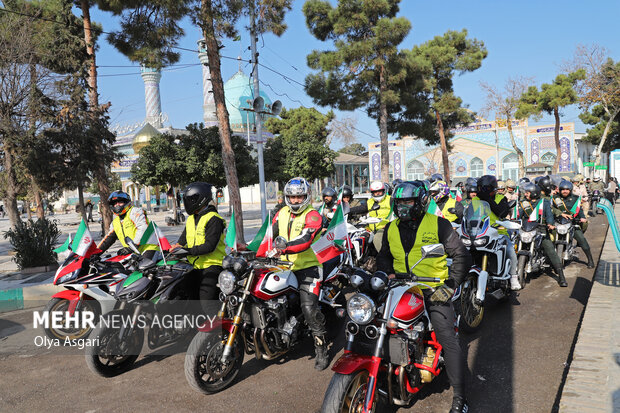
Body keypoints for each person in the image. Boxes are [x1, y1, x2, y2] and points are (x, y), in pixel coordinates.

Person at [377, 181, 471, 413]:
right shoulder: (391, 228)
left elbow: (461, 256)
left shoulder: (438, 224)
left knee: (447, 338)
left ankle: (461, 397)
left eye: (407, 202)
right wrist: (386, 273)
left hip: (432, 287)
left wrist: (449, 285)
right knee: (373, 324)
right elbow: (383, 256)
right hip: (399, 286)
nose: (402, 207)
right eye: (399, 203)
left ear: (420, 203)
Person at [268, 177, 329, 370]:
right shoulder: (281, 213)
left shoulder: (313, 215)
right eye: (291, 197)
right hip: (283, 266)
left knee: (309, 309)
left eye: (299, 197)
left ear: (306, 196)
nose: (295, 201)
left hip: (308, 267)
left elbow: (305, 240)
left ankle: (321, 349)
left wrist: (284, 248)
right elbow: (268, 235)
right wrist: (248, 248)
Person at [170, 182, 227, 311]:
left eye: (191, 200)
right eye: (187, 200)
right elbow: (182, 240)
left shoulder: (214, 219)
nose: (188, 203)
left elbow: (209, 246)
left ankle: (217, 328)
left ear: (201, 200)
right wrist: (174, 248)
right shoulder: (190, 219)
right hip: (193, 266)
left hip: (211, 266)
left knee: (207, 304)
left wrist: (186, 252)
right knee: (184, 297)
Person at [474, 175, 521, 290]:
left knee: (510, 250)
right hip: (481, 233)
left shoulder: (501, 198)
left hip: (499, 231)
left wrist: (488, 200)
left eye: (484, 188)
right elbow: (472, 214)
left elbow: (502, 213)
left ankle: (513, 277)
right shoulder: (475, 200)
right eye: (480, 188)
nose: (481, 191)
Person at [519, 183, 567, 287]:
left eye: (527, 193)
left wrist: (550, 224)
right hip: (527, 229)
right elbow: (519, 214)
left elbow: (549, 215)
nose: (526, 194)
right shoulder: (524, 203)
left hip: (541, 229)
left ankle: (561, 276)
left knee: (550, 250)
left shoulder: (544, 202)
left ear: (533, 193)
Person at [97, 191, 158, 259]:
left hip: (148, 248)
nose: (117, 205)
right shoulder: (115, 222)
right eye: (115, 203)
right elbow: (108, 239)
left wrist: (133, 246)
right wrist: (95, 253)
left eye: (120, 202)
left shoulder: (135, 212)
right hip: (132, 252)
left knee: (143, 266)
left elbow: (143, 228)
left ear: (126, 202)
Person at [552, 180, 595, 268]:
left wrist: (582, 218)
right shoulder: (555, 198)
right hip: (558, 223)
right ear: (559, 190)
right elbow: (550, 209)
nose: (565, 191)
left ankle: (590, 260)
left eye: (567, 189)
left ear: (570, 190)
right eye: (563, 189)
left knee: (582, 240)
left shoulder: (575, 198)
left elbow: (580, 210)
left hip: (572, 223)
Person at [349, 181, 392, 253]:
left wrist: (389, 224)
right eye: (375, 192)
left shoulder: (390, 200)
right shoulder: (370, 202)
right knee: (358, 238)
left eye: (379, 191)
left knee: (377, 238)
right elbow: (360, 208)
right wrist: (347, 210)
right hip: (370, 229)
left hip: (385, 228)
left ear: (383, 191)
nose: (377, 193)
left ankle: (385, 258)